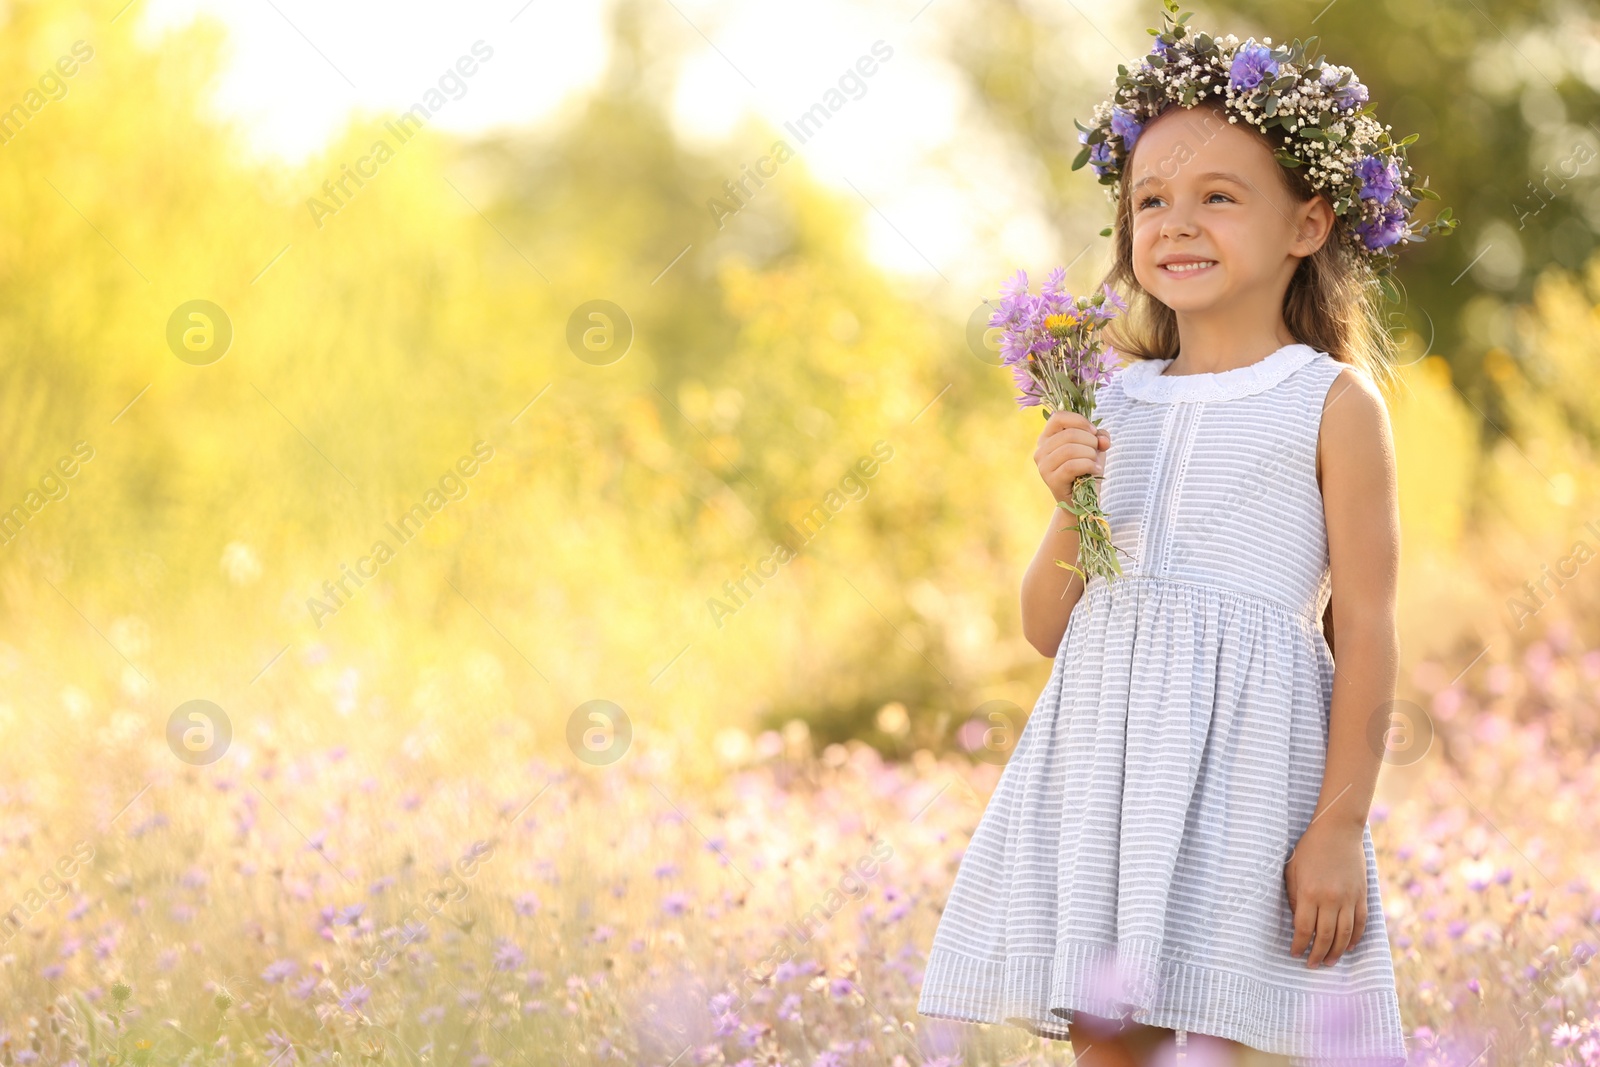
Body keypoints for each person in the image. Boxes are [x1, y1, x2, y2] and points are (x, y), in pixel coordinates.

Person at [917, 5, 1456, 1066]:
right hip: (1110, 770)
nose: (1175, 223)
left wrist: (1340, 825)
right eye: (1149, 201)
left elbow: (1370, 629)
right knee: (1112, 1038)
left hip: (1250, 778)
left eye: (1218, 197)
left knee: (1223, 1036)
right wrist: (1067, 500)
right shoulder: (1115, 400)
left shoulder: (1330, 402)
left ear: (1306, 225)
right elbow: (1043, 626)